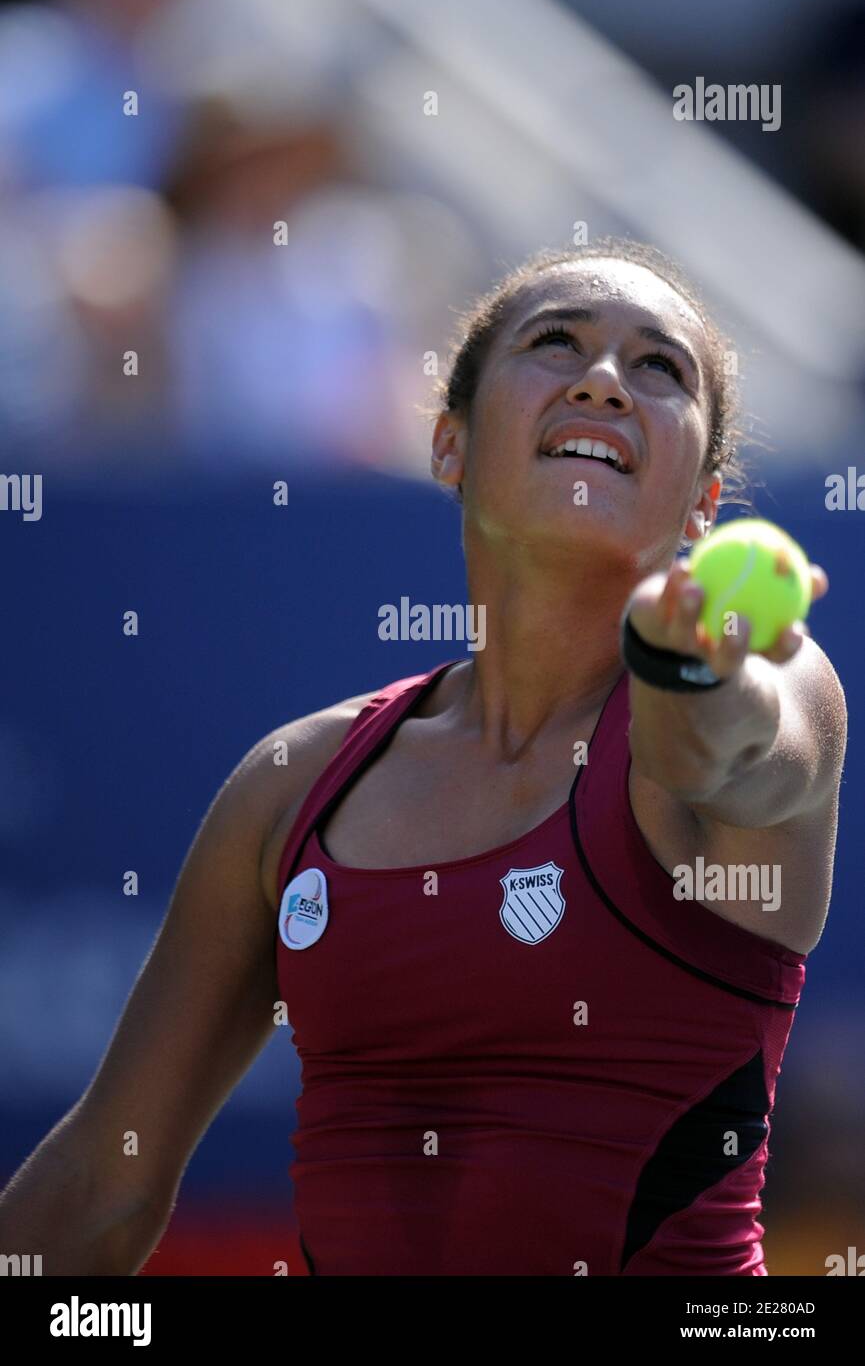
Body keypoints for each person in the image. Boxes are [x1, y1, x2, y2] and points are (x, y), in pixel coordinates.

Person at [0, 239, 847, 1276]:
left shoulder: (773, 672)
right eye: (556, 343)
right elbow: (103, 1180)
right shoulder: (293, 780)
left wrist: (683, 666)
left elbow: (724, 754)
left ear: (704, 504)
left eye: (657, 368)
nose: (603, 379)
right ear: (449, 444)